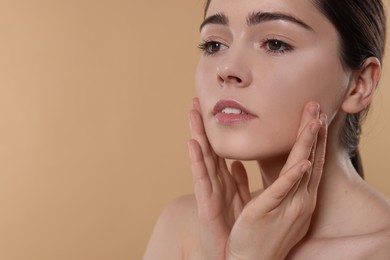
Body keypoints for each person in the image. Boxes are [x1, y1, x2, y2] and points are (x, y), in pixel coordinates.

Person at [144, 0, 390, 259]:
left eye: (275, 44)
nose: (227, 69)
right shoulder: (183, 227)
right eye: (214, 45)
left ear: (359, 84)